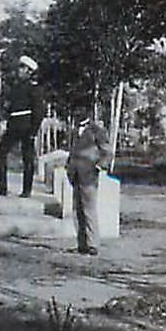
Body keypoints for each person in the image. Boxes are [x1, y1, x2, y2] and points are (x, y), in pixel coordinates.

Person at [0, 54, 45, 198]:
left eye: (23, 68)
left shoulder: (35, 88)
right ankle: (1, 187)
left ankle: (27, 190)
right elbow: (11, 106)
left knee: (27, 158)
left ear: (29, 71)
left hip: (27, 126)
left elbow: (38, 112)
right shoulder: (16, 86)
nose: (19, 71)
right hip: (14, 125)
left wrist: (34, 131)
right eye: (20, 68)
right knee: (0, 152)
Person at [65, 102, 113, 255]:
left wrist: (99, 166)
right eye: (75, 112)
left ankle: (93, 244)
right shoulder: (73, 131)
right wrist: (69, 166)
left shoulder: (96, 131)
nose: (77, 115)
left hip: (89, 174)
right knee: (77, 209)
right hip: (75, 173)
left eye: (80, 112)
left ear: (88, 113)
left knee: (89, 209)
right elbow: (72, 150)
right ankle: (82, 244)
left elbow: (107, 151)